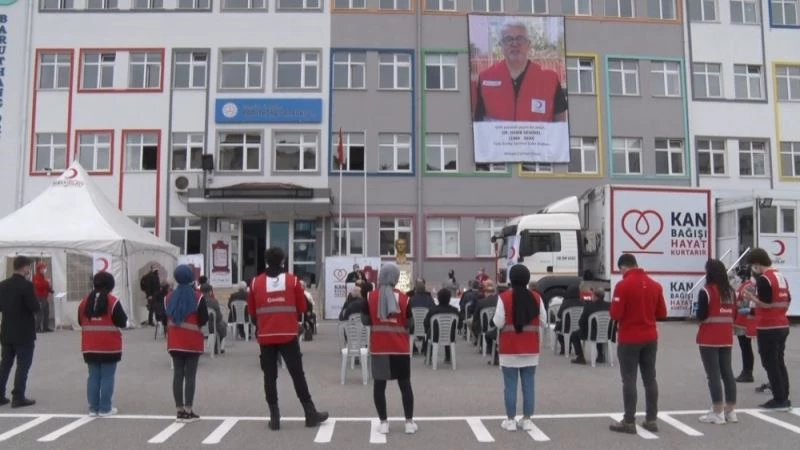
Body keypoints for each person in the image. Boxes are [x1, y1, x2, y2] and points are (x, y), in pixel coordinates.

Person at [247, 247, 328, 431]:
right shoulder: (292, 281)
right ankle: (310, 413)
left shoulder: (255, 283)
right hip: (288, 334)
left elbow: (251, 311)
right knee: (297, 374)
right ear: (283, 261)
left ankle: (274, 417)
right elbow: (302, 307)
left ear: (266, 261)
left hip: (266, 335)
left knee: (269, 376)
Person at [608, 254, 667, 434]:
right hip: (650, 336)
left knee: (629, 379)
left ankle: (629, 421)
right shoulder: (655, 285)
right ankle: (651, 419)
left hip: (629, 338)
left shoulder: (623, 285)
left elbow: (616, 314)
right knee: (650, 379)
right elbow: (662, 313)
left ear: (623, 267)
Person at [473, 19, 568, 123]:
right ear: (501, 45)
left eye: (520, 39)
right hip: (498, 139)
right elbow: (478, 122)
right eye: (508, 39)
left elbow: (561, 124)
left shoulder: (550, 79)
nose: (515, 44)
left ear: (528, 44)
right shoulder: (485, 78)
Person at [362, 263, 417, 435]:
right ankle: (408, 423)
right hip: (400, 348)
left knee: (379, 386)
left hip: (379, 348)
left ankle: (384, 423)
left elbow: (365, 320)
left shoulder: (371, 296)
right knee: (405, 385)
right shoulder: (404, 299)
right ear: (395, 278)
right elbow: (411, 325)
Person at [492, 264, 545, 432]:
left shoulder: (504, 297)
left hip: (509, 348)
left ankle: (510, 420)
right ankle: (527, 419)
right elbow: (543, 321)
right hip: (531, 347)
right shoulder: (536, 297)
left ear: (511, 279)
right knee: (529, 384)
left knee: (510, 384)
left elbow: (498, 322)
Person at [742, 248, 792, 411]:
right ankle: (784, 395)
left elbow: (767, 303)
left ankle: (779, 399)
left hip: (768, 326)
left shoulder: (764, 279)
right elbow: (787, 299)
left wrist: (751, 298)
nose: (753, 268)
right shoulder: (780, 277)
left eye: (753, 265)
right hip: (782, 323)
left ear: (757, 263)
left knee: (769, 362)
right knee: (779, 361)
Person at [78, 271, 128, 417]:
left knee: (93, 376)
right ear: (111, 285)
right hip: (109, 346)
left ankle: (93, 408)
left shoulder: (84, 302)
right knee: (107, 376)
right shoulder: (112, 301)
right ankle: (105, 408)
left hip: (89, 345)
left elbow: (81, 321)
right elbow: (122, 322)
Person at [695, 259, 738, 424]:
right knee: (728, 373)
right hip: (726, 336)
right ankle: (731, 411)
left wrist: (698, 317)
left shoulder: (706, 291)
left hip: (709, 338)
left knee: (713, 375)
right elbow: (733, 315)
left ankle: (717, 411)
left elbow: (702, 315)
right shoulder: (730, 292)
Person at [166, 265, 209, 423]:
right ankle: (189, 410)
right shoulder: (198, 297)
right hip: (192, 342)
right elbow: (203, 319)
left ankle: (179, 410)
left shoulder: (168, 297)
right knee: (190, 376)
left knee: (177, 375)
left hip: (174, 341)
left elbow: (166, 314)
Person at [0, 256, 39, 407]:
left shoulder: (2, 285)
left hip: (7, 329)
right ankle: (18, 396)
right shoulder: (26, 286)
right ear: (24, 267)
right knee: (23, 365)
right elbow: (34, 307)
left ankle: (0, 394)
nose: (29, 270)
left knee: (5, 364)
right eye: (29, 267)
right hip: (24, 331)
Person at [570, 288, 610, 365]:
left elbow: (582, 321)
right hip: (606, 332)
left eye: (593, 295)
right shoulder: (609, 306)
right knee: (598, 330)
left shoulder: (589, 306)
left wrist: (582, 327)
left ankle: (580, 357)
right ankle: (600, 355)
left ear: (595, 296)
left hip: (591, 333)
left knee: (574, 335)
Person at [733, 265, 757, 383]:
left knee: (746, 348)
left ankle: (747, 372)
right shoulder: (744, 284)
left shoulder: (749, 286)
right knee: (744, 347)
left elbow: (746, 304)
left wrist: (736, 304)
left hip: (745, 320)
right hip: (740, 320)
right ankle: (746, 371)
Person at [423, 289, 460, 364]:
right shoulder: (455, 310)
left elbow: (426, 323)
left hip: (435, 336)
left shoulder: (433, 310)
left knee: (430, 331)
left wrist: (427, 331)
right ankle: (448, 356)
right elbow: (460, 325)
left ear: (438, 298)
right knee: (448, 330)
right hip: (450, 336)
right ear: (449, 299)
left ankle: (429, 357)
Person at [554, 282, 583, 356]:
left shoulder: (565, 302)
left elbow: (559, 315)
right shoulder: (582, 303)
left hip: (566, 326)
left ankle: (565, 346)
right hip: (579, 327)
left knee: (558, 327)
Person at [200, 284, 227, 355]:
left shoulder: (197, 301)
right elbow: (218, 317)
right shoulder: (214, 301)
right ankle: (216, 347)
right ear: (210, 292)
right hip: (212, 327)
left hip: (199, 326)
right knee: (222, 325)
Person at [32, 263, 54, 333]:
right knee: (39, 313)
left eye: (45, 268)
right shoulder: (36, 277)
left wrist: (50, 290)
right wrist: (47, 283)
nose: (45, 270)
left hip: (44, 297)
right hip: (39, 297)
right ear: (39, 269)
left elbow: (45, 286)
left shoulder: (43, 277)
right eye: (43, 268)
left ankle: (45, 327)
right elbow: (39, 285)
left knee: (46, 312)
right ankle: (37, 328)